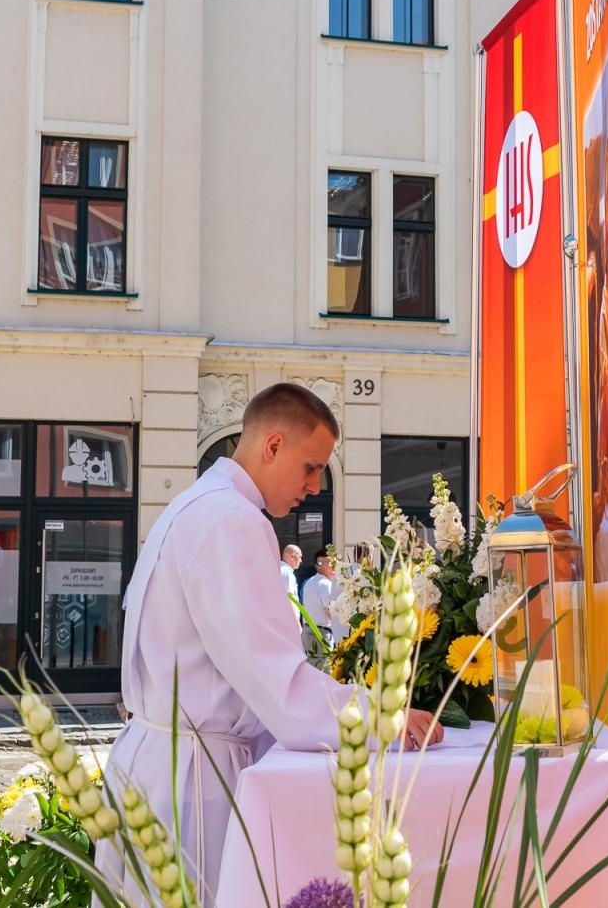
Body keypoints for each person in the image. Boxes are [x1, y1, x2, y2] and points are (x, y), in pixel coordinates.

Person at [101, 383, 442, 904]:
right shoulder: (232, 521)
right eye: (309, 468)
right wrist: (383, 714)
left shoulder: (195, 504)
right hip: (193, 782)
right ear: (272, 445)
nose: (313, 486)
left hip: (163, 762)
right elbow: (276, 683)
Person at [299, 549, 337, 655]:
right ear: (321, 566)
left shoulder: (309, 582)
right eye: (331, 565)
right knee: (324, 669)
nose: (334, 569)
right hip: (321, 633)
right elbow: (329, 610)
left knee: (312, 667)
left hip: (308, 631)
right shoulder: (325, 584)